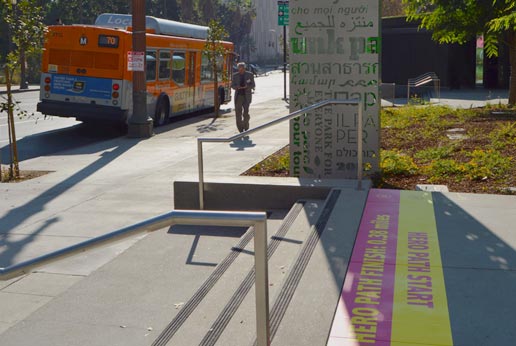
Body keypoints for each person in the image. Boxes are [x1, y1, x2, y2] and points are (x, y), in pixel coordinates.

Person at [231, 62, 255, 133]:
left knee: (245, 113)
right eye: (239, 69)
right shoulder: (235, 76)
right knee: (238, 113)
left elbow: (253, 85)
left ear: (244, 68)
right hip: (238, 96)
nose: (240, 70)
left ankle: (246, 125)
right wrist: (236, 87)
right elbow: (232, 85)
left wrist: (247, 87)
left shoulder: (249, 75)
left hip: (246, 96)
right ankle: (240, 129)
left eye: (242, 69)